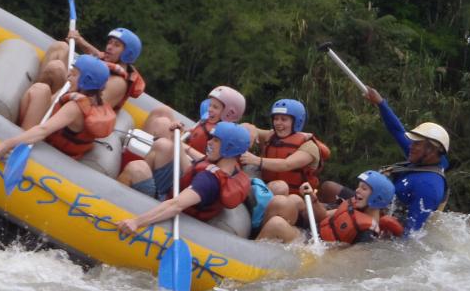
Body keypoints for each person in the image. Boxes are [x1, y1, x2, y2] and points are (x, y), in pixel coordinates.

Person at [319, 87, 450, 236]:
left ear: (432, 151)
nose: (411, 146)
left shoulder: (429, 187)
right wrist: (381, 103)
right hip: (371, 203)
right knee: (328, 187)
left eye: (417, 144)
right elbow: (397, 131)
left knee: (323, 211)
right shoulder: (422, 157)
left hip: (377, 222)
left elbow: (412, 235)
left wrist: (384, 230)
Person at [117, 122, 252, 233]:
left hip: (166, 205)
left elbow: (175, 206)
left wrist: (136, 222)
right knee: (163, 146)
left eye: (215, 140)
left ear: (228, 148)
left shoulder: (209, 181)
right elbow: (193, 169)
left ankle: (113, 205)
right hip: (176, 191)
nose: (209, 142)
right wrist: (178, 140)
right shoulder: (231, 169)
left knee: (136, 169)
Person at [119, 85, 247, 193]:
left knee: (162, 127)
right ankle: (140, 172)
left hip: (186, 167)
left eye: (215, 107)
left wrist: (181, 144)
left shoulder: (223, 137)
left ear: (229, 113)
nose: (209, 109)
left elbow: (202, 165)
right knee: (163, 111)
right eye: (210, 105)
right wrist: (181, 133)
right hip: (186, 157)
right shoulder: (210, 123)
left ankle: (140, 177)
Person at [0, 54, 115, 162]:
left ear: (86, 81)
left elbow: (43, 130)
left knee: (38, 90)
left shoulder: (75, 107)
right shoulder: (96, 100)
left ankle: (19, 134)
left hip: (53, 151)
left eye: (74, 75)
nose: (69, 78)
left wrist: (6, 145)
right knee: (41, 90)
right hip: (63, 146)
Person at [256, 171, 403, 244]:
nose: (357, 191)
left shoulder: (368, 232)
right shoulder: (353, 204)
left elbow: (350, 259)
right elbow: (324, 217)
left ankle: (250, 254)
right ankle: (257, 240)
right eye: (358, 187)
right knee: (290, 200)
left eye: (364, 189)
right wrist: (314, 200)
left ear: (377, 197)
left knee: (277, 224)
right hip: (311, 234)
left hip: (312, 247)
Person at [34, 27, 144, 112]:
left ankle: (37, 101)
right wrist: (79, 40)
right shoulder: (109, 61)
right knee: (60, 47)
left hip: (72, 108)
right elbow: (97, 54)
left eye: (116, 45)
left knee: (56, 68)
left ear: (128, 54)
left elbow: (90, 108)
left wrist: (73, 80)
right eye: (109, 42)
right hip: (71, 91)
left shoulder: (118, 83)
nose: (109, 47)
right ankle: (35, 96)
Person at [239, 98, 330, 196]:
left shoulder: (309, 146)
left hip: (297, 198)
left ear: (297, 122)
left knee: (280, 187)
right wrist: (250, 128)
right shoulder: (270, 136)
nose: (278, 123)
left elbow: (286, 164)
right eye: (276, 118)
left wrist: (255, 160)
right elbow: (243, 126)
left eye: (284, 119)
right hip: (269, 190)